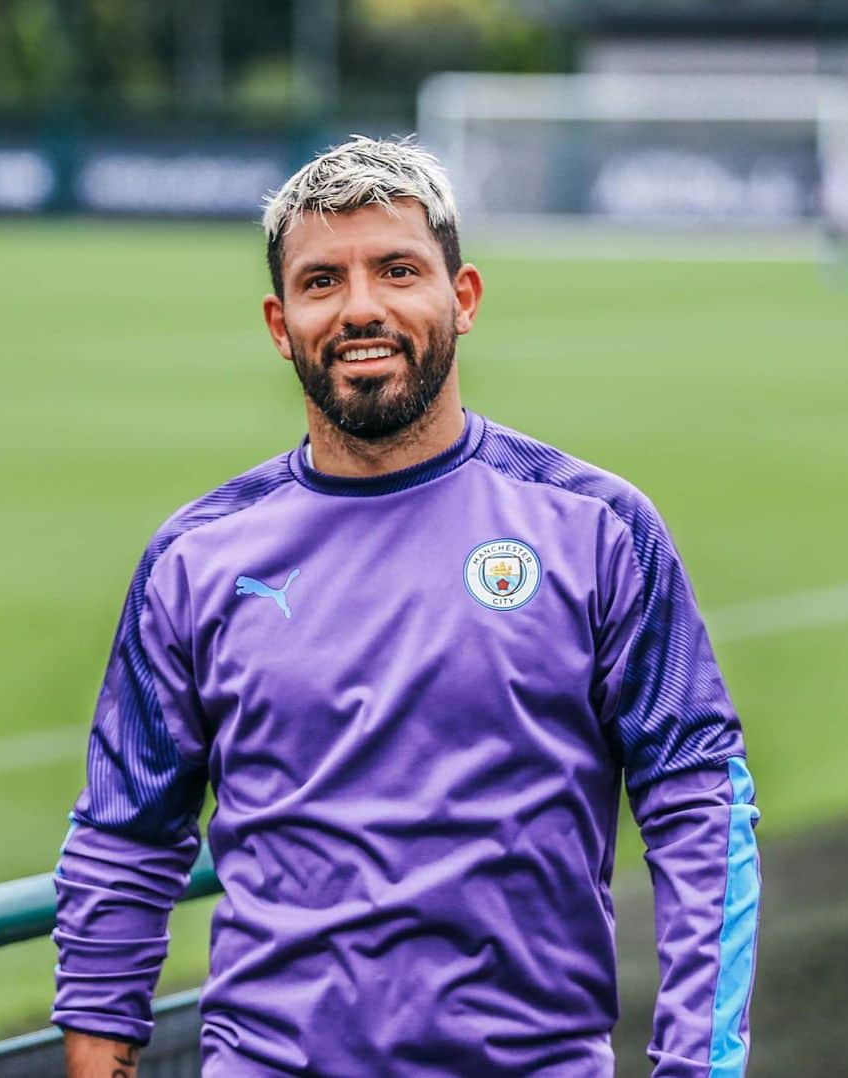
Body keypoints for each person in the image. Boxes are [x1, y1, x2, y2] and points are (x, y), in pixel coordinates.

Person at [52, 135, 761, 1078]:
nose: (361, 309)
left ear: (460, 299)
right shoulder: (196, 558)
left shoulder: (598, 530)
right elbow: (123, 845)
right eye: (321, 282)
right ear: (279, 322)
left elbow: (701, 809)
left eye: (397, 270)